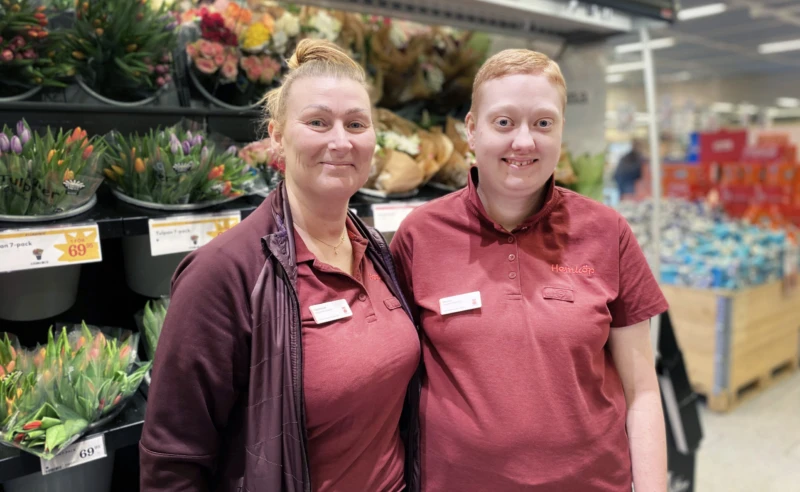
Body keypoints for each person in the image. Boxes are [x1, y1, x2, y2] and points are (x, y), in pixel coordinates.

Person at [140, 39, 421, 492]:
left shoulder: (376, 251)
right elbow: (173, 460)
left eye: (356, 123)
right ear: (276, 135)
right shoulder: (224, 273)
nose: (341, 140)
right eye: (317, 122)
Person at [391, 49, 668, 492]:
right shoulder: (419, 236)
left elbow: (643, 391)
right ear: (471, 130)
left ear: (561, 130)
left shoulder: (608, 232)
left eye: (543, 123)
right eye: (504, 122)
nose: (524, 142)